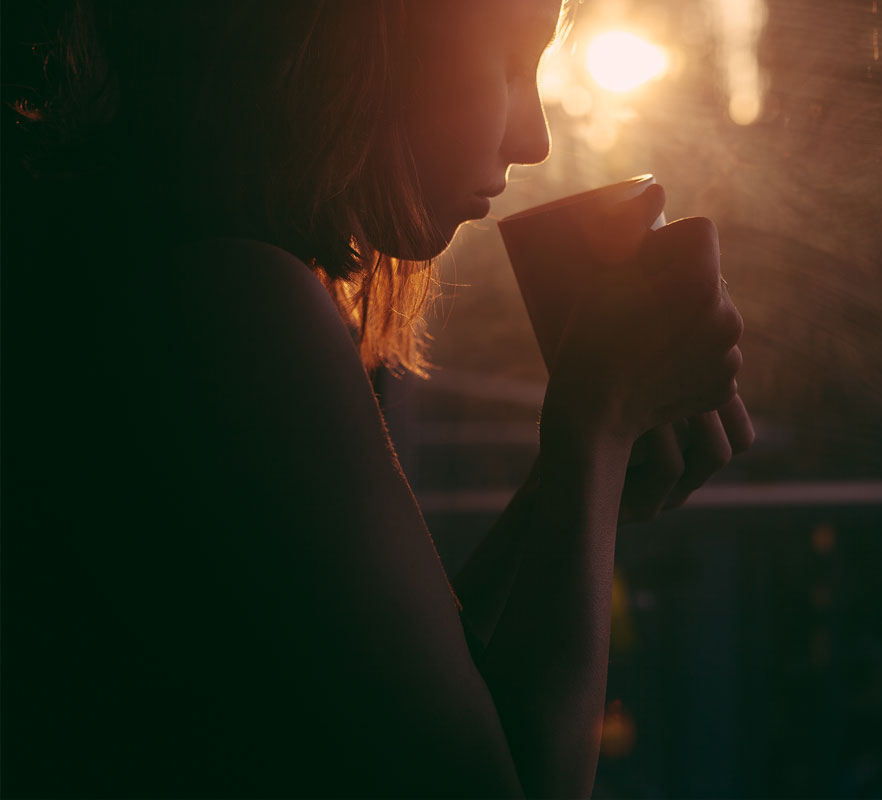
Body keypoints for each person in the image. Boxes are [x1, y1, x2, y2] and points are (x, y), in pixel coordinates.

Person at [1, 1, 751, 796]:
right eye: (507, 62)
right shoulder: (234, 305)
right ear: (364, 45)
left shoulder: (162, 265)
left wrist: (562, 493)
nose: (535, 140)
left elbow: (424, 693)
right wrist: (596, 427)